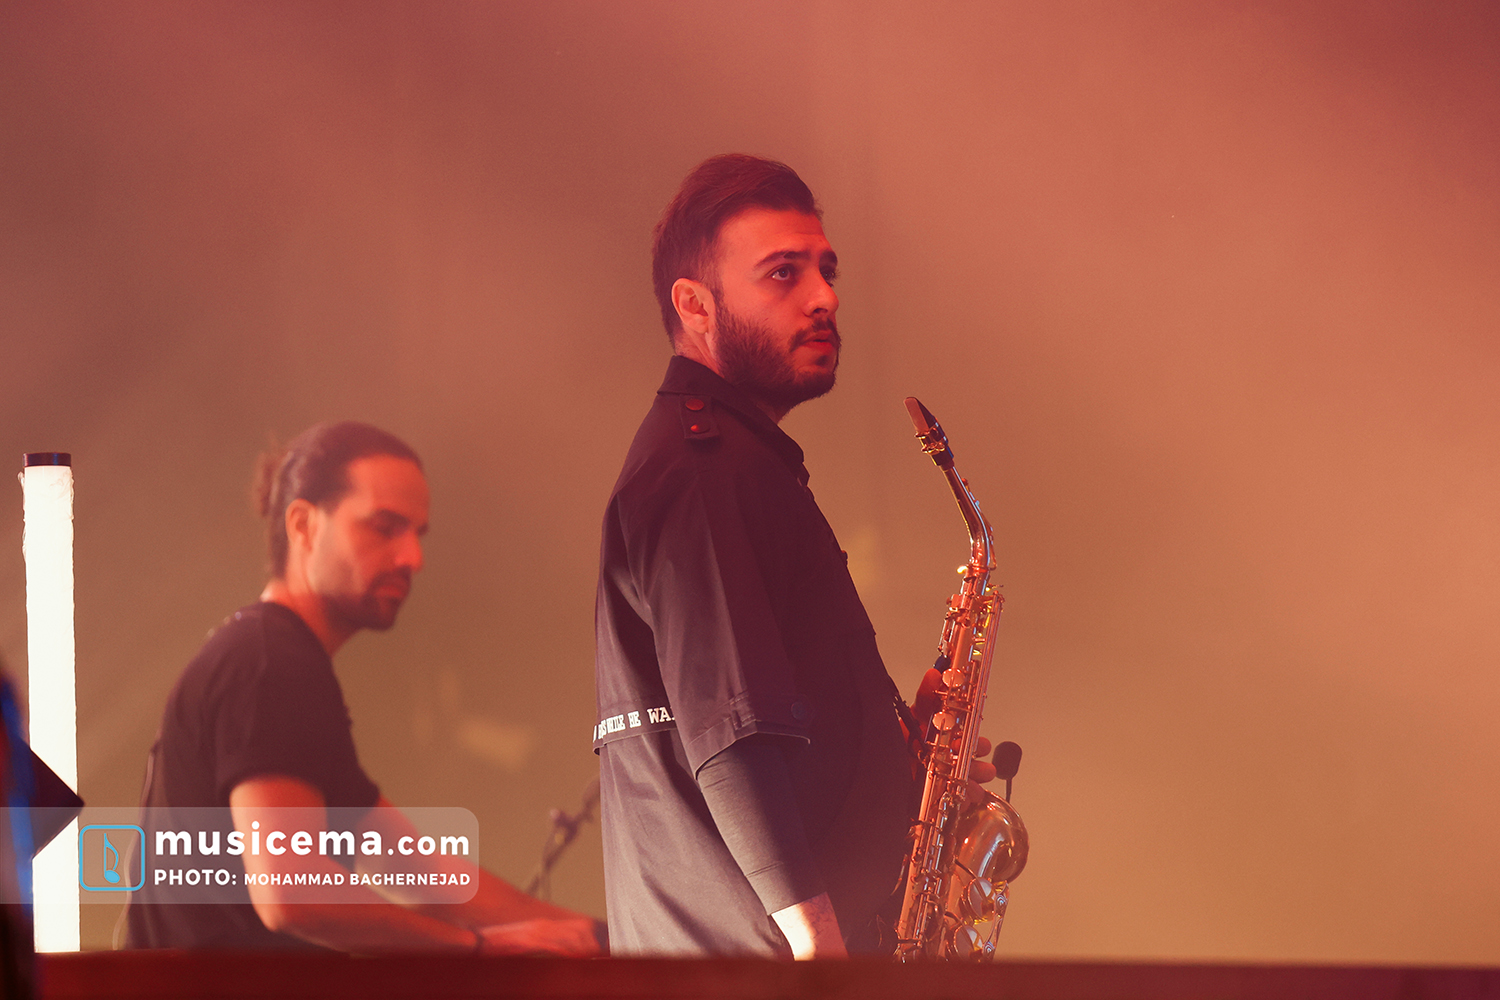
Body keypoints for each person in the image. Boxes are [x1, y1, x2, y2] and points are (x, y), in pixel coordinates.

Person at [593, 154, 994, 958]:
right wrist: (819, 952)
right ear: (695, 305)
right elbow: (731, 739)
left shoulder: (730, 463)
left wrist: (893, 745)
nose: (824, 297)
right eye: (783, 273)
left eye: (825, 270)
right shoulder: (704, 471)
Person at [125, 422, 601, 955]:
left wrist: (611, 938)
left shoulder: (275, 659)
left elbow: (421, 873)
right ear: (303, 525)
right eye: (385, 527)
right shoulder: (269, 662)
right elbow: (292, 893)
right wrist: (477, 951)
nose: (413, 557)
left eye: (417, 533)